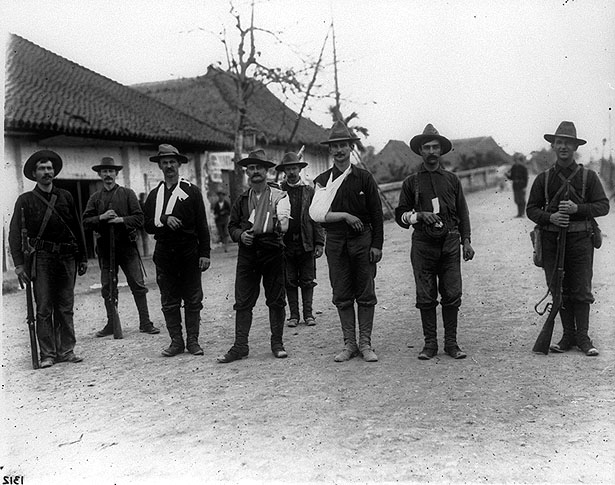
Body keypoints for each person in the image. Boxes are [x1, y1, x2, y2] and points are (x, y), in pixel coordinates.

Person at [527, 121, 609, 356]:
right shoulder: (543, 179)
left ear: (575, 147)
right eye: (559, 142)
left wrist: (577, 209)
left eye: (568, 143)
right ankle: (567, 336)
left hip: (581, 240)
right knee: (558, 289)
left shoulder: (588, 177)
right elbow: (531, 210)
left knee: (581, 288)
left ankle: (583, 337)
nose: (563, 147)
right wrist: (550, 217)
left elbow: (603, 206)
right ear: (553, 146)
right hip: (551, 242)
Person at [395, 124, 475, 360]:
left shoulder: (452, 180)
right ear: (420, 151)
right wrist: (418, 215)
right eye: (426, 147)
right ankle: (430, 344)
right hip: (423, 244)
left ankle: (451, 343)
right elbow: (400, 215)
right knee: (426, 295)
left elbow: (463, 212)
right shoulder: (412, 182)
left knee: (452, 294)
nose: (431, 151)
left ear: (441, 151)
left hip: (450, 242)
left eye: (435, 147)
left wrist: (467, 241)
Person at [309, 121, 383, 363]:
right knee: (341, 292)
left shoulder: (364, 178)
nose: (339, 150)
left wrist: (377, 246)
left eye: (343, 145)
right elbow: (316, 215)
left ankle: (365, 344)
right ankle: (349, 343)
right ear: (330, 150)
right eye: (335, 146)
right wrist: (344, 216)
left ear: (351, 147)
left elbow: (376, 214)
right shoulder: (322, 180)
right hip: (336, 241)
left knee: (365, 291)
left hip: (362, 240)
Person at [8, 150, 88, 368]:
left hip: (67, 257)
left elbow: (76, 228)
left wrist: (82, 256)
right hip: (41, 259)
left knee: (66, 306)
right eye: (42, 168)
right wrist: (18, 265)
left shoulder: (66, 196)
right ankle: (48, 354)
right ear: (34, 174)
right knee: (43, 307)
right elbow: (14, 234)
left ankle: (67, 350)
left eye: (49, 168)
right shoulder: (25, 200)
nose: (46, 172)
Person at [216, 149, 291, 363]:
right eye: (251, 168)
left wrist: (278, 222)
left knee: (276, 299)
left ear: (266, 170)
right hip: (248, 253)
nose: (255, 171)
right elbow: (231, 227)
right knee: (243, 301)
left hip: (272, 250)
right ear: (247, 172)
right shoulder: (241, 200)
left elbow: (286, 225)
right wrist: (241, 235)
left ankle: (277, 343)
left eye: (259, 167)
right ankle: (240, 346)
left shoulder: (278, 196)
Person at [143, 144, 211, 357]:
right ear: (160, 166)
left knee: (193, 299)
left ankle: (192, 341)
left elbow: (202, 224)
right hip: (165, 253)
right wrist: (163, 218)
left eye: (173, 161)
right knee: (169, 300)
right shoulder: (155, 195)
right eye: (165, 162)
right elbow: (147, 226)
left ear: (179, 164)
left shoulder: (191, 191)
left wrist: (205, 253)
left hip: (189, 252)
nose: (169, 165)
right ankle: (176, 341)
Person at [82, 157, 159, 337]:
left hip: (127, 247)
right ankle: (111, 323)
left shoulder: (128, 194)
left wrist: (120, 220)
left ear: (116, 174)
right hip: (106, 250)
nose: (108, 175)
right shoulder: (95, 198)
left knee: (138, 284)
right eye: (104, 171)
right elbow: (85, 222)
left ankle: (145, 322)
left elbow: (139, 218)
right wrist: (101, 218)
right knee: (108, 287)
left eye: (111, 171)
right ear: (99, 174)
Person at [275, 152, 325, 327]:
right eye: (288, 169)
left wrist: (319, 242)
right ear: (284, 172)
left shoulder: (309, 191)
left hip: (306, 242)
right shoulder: (278, 192)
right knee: (289, 280)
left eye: (294, 168)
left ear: (299, 170)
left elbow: (316, 217)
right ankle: (294, 316)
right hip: (285, 244)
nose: (291, 172)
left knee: (307, 279)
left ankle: (308, 315)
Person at [506, 153, 529, 217]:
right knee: (517, 200)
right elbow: (512, 177)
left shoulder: (523, 168)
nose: (516, 161)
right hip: (515, 185)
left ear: (519, 160)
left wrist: (525, 186)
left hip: (521, 185)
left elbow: (526, 178)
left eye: (517, 160)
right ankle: (519, 214)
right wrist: (507, 175)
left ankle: (523, 213)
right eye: (515, 160)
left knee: (522, 200)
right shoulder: (513, 167)